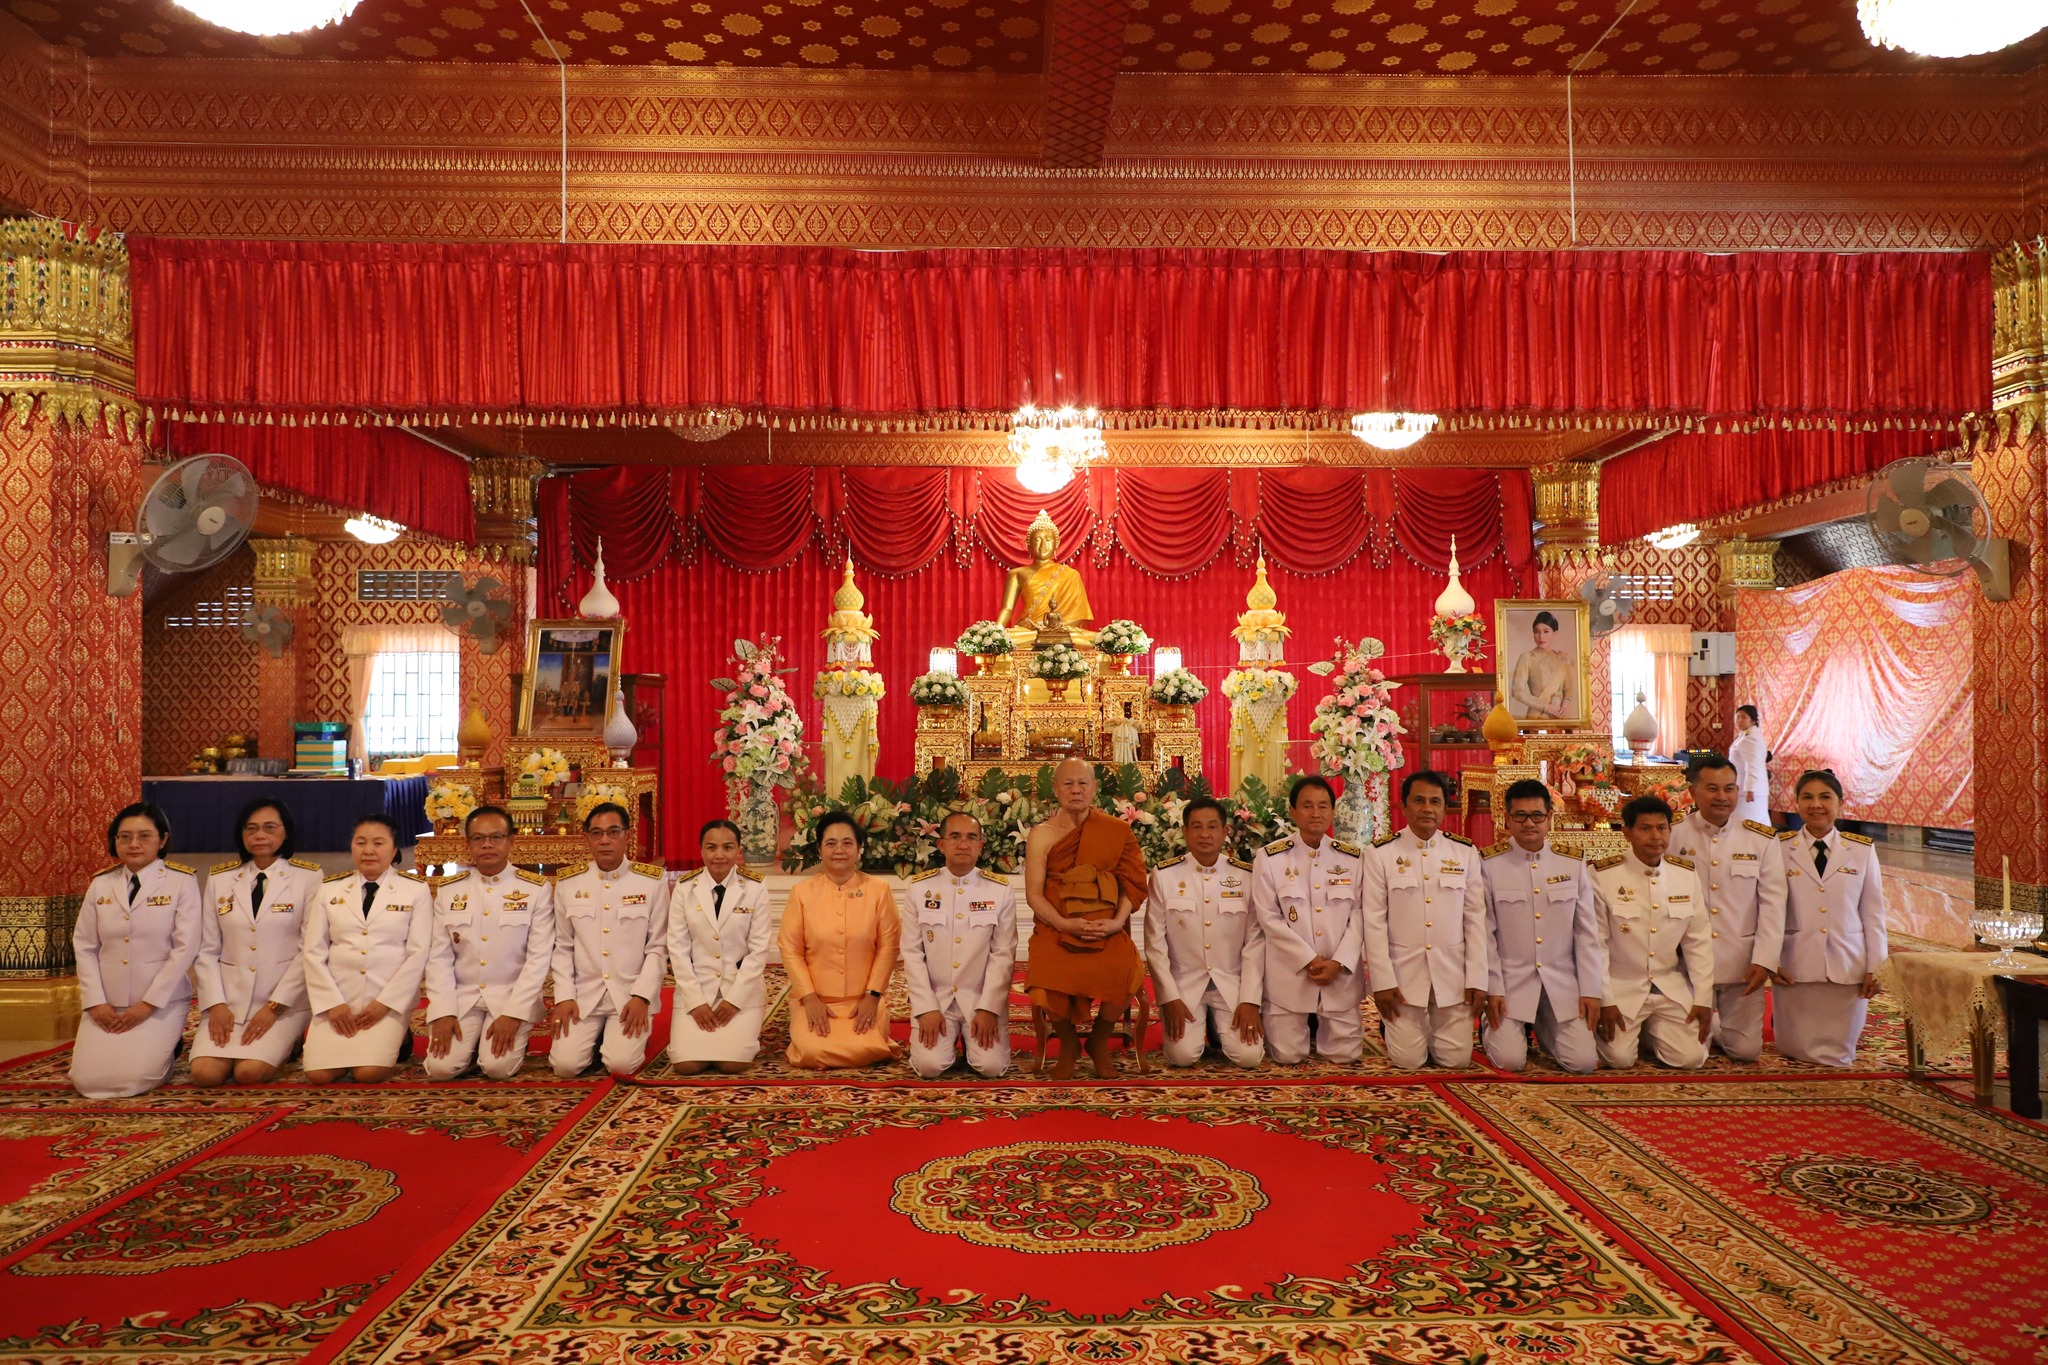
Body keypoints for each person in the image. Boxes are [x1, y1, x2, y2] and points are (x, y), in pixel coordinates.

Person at [1023, 758, 1148, 1079]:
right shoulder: (1042, 835)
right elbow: (1034, 895)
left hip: (1106, 926)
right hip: (1056, 927)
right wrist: (1064, 924)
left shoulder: (1116, 831)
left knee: (1127, 969)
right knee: (1045, 968)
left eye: (1082, 784)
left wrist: (1117, 922)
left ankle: (1098, 1041)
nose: (1076, 790)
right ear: (1055, 789)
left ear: (1094, 789)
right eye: (1068, 784)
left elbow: (1133, 884)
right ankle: (1067, 1043)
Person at [71, 803, 201, 1099]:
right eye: (124, 837)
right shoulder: (101, 884)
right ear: (114, 841)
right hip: (108, 1001)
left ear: (162, 840)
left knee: (138, 1079)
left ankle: (168, 1049)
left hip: (159, 1002)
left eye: (144, 836)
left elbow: (185, 948)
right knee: (85, 1081)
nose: (134, 844)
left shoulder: (181, 881)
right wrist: (95, 1002)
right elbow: (86, 945)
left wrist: (149, 1003)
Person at [190, 798, 324, 1086]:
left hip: (282, 1002)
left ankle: (291, 1043)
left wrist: (274, 1007)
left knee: (249, 1073)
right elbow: (207, 949)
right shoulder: (220, 879)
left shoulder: (308, 877)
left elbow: (309, 949)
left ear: (285, 832)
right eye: (251, 829)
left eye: (269, 828)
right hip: (229, 1000)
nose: (259, 835)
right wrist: (216, 1004)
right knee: (205, 1075)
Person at [1363, 770, 1488, 1069]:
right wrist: (1382, 981)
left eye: (1435, 801)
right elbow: (1373, 921)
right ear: (1404, 807)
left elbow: (1475, 920)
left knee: (1455, 1061)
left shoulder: (1465, 852)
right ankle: (1395, 1026)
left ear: (1445, 808)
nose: (1427, 808)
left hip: (1452, 975)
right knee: (1408, 1061)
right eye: (1418, 801)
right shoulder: (1380, 854)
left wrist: (1477, 978)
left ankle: (1428, 1030)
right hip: (1404, 977)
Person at [421, 806, 555, 1081]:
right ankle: (469, 1051)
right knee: (439, 1069)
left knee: (497, 1068)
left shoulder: (535, 889)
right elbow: (439, 957)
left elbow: (538, 959)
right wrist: (443, 1011)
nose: (487, 845)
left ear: (510, 841)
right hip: (463, 998)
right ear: (467, 843)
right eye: (478, 838)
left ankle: (502, 1042)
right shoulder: (449, 891)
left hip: (510, 997)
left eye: (496, 837)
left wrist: (515, 1013)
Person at [1478, 780, 1603, 1074]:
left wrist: (1591, 990)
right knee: (1510, 1061)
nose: (1529, 823)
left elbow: (1587, 933)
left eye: (1537, 815)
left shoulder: (1571, 863)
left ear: (1549, 817)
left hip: (1560, 983)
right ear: (1506, 819)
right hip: (1510, 982)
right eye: (1519, 816)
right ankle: (1496, 1030)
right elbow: (1484, 934)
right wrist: (1492, 988)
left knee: (1583, 1063)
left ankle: (1544, 1030)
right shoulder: (1488, 864)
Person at [1669, 755, 1787, 1063]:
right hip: (1688, 967)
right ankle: (1703, 1028)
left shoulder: (1760, 839)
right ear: (1693, 792)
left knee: (1746, 1052)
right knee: (1692, 1052)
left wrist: (1765, 959)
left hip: (1740, 966)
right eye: (1712, 788)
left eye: (1729, 789)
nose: (1722, 797)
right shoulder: (1673, 835)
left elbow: (1773, 905)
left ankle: (1719, 1028)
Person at [302, 815, 433, 1084]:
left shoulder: (415, 890)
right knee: (319, 1076)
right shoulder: (329, 889)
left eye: (378, 843)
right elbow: (313, 951)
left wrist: (384, 1004)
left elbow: (417, 953)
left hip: (386, 998)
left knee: (369, 1073)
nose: (368, 850)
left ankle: (400, 1033)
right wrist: (332, 1004)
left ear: (395, 849)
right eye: (360, 842)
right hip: (339, 997)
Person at [1589, 795, 1714, 1070]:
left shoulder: (1685, 875)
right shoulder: (1603, 875)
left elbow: (1699, 942)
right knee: (1619, 1059)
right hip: (1623, 986)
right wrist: (1605, 999)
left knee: (1690, 1059)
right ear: (1627, 833)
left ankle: (1653, 1031)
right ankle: (1642, 1031)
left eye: (1662, 828)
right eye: (1645, 828)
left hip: (1669, 986)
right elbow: (1596, 944)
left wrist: (1704, 998)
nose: (1655, 836)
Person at [1774, 769, 1888, 1067]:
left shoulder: (1862, 850)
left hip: (1846, 963)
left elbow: (1873, 913)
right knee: (1792, 1048)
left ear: (1840, 803)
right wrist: (1770, 960)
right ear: (1796, 803)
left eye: (1825, 797)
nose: (1816, 805)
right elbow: (1767, 910)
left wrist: (1877, 966)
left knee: (1838, 1054)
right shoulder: (1779, 848)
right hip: (1796, 963)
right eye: (1807, 797)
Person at [549, 807, 670, 1078]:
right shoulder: (569, 882)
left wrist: (642, 997)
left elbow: (658, 947)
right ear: (587, 839)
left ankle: (614, 1038)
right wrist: (565, 996)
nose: (605, 840)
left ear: (627, 835)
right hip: (584, 995)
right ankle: (595, 1040)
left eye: (613, 832)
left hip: (629, 996)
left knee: (621, 1065)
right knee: (565, 1067)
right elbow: (563, 946)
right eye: (597, 833)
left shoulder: (650, 881)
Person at [1252, 776, 1365, 1065]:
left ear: (1332, 811)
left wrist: (1338, 962)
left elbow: (1360, 915)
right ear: (1292, 812)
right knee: (1288, 1055)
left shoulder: (1353, 859)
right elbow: (1269, 918)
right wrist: (1309, 959)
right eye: (1307, 806)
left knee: (1345, 1056)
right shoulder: (1270, 858)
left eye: (1323, 806)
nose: (1316, 813)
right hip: (1291, 974)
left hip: (1339, 974)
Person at [1145, 795, 1263, 1069]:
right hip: (1185, 985)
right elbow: (1154, 943)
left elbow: (1255, 943)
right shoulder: (1165, 876)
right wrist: (1168, 997)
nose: (1205, 834)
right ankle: (1204, 1024)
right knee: (1183, 1056)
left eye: (1212, 827)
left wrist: (1250, 1000)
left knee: (1249, 1057)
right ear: (1184, 832)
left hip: (1230, 984)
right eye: (1196, 827)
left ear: (1225, 832)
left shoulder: (1246, 876)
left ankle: (1218, 1028)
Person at [780, 810, 901, 1069]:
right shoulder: (801, 893)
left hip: (864, 1001)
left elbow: (889, 947)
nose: (839, 850)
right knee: (812, 1052)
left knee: (868, 1048)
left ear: (859, 849)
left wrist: (872, 997)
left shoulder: (879, 891)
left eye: (847, 843)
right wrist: (810, 999)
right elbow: (790, 949)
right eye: (831, 843)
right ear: (820, 849)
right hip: (815, 999)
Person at [901, 811, 1017, 1079]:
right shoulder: (919, 890)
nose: (963, 844)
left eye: (971, 837)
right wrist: (926, 1007)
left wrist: (989, 1007)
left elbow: (1003, 954)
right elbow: (911, 953)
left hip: (979, 999)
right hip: (937, 999)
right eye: (955, 837)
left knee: (992, 1068)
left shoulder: (999, 891)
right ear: (941, 844)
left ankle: (969, 1040)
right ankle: (949, 1039)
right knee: (929, 1067)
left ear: (981, 846)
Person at [667, 817, 773, 1075]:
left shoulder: (755, 888)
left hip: (740, 990)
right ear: (701, 850)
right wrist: (695, 1001)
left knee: (732, 1063)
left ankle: (745, 1032)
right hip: (698, 988)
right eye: (711, 847)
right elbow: (677, 949)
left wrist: (734, 1000)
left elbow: (758, 951)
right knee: (687, 1065)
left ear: (739, 850)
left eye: (727, 847)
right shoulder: (684, 889)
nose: (719, 855)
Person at [1508, 610, 1576, 721]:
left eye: (1546, 631)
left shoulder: (1562, 658)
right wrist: (1546, 707)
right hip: (1537, 717)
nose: (1541, 636)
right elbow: (1517, 691)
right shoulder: (1527, 657)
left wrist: (1566, 704)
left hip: (1561, 718)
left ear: (1555, 633)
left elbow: (1569, 688)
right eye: (1537, 632)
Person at [1729, 704, 1772, 828]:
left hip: (1748, 790)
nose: (1739, 720)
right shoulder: (1745, 735)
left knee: (1751, 823)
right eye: (1737, 717)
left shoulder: (1751, 738)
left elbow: (1753, 765)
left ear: (1752, 720)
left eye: (1743, 717)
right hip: (1743, 787)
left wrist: (1750, 789)